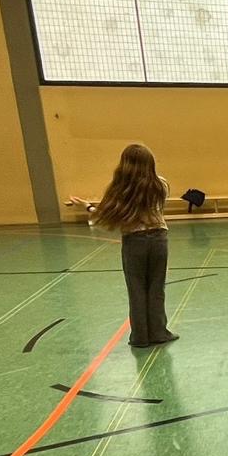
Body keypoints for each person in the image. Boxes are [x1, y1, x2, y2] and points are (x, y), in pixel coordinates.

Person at [67, 143, 177, 349]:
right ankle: (159, 332)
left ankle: (140, 336)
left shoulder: (119, 189)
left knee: (136, 289)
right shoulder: (160, 185)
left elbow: (105, 214)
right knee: (156, 287)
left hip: (134, 241)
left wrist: (86, 206)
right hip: (158, 239)